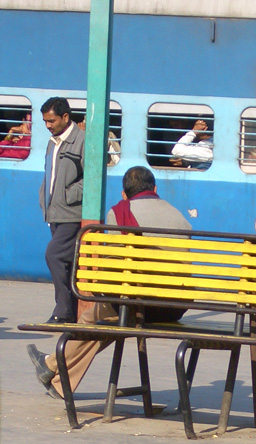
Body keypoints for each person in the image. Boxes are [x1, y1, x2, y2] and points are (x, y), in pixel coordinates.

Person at [27, 166, 192, 398]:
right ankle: (57, 379)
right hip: (173, 309)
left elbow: (111, 270)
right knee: (105, 322)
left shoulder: (120, 212)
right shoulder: (180, 218)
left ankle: (52, 364)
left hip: (140, 306)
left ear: (124, 194)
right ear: (155, 189)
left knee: (95, 318)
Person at [40, 97, 85, 324]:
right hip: (54, 213)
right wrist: (44, 199)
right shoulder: (52, 142)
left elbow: (92, 179)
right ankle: (72, 312)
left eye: (51, 120)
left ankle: (62, 310)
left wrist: (69, 195)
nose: (48, 125)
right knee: (67, 265)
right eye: (45, 121)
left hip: (71, 214)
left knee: (54, 255)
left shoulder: (82, 141)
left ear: (65, 117)